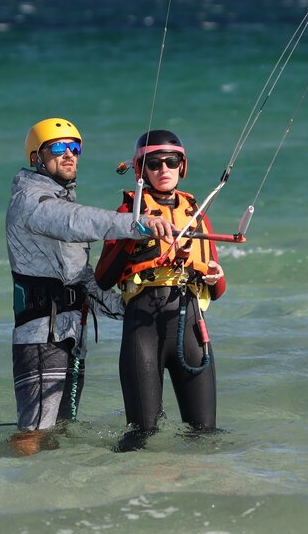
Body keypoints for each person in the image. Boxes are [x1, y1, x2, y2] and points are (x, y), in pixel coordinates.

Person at [5, 117, 178, 456]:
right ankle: (19, 487)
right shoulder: (32, 201)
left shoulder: (60, 199)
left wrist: (132, 309)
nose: (69, 154)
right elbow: (76, 222)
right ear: (35, 157)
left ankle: (52, 495)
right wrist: (138, 223)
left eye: (75, 148)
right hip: (42, 336)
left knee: (60, 429)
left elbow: (81, 279)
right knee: (35, 432)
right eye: (58, 148)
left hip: (69, 331)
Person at [94, 130, 226, 452]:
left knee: (205, 434)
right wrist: (134, 233)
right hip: (144, 329)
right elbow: (103, 278)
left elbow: (219, 289)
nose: (163, 169)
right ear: (140, 170)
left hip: (191, 328)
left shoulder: (196, 211)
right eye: (154, 163)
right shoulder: (129, 212)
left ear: (182, 166)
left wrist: (215, 277)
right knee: (141, 435)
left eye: (171, 161)